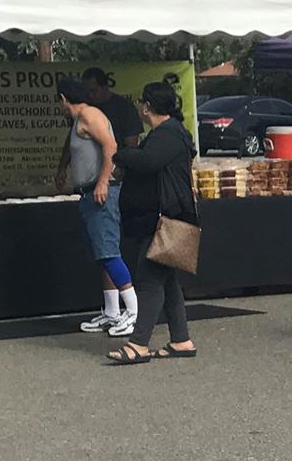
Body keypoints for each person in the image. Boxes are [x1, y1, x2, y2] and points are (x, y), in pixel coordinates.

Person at [109, 79, 198, 363]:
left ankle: (138, 344)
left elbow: (149, 161)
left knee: (148, 279)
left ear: (147, 106)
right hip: (167, 217)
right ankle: (181, 340)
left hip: (166, 219)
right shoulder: (167, 133)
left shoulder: (168, 134)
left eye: (140, 103)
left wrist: (120, 155)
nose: (138, 107)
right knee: (168, 280)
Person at [56, 75, 136, 338]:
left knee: (109, 251)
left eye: (58, 101)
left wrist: (103, 182)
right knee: (102, 254)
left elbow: (110, 145)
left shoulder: (91, 116)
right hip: (87, 193)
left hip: (102, 192)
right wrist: (62, 168)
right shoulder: (78, 121)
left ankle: (134, 312)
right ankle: (111, 312)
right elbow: (73, 148)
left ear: (63, 99)